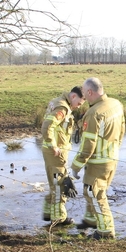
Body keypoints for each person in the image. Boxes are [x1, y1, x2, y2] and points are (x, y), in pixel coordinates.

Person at [71, 77, 125, 239]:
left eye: (84, 93)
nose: (83, 97)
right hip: (112, 158)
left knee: (94, 194)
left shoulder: (94, 113)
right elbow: (122, 130)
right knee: (96, 192)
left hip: (98, 162)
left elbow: (88, 145)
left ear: (89, 92)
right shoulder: (116, 104)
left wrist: (75, 167)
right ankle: (91, 220)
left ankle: (106, 231)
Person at [41, 86, 85, 226]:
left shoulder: (59, 101)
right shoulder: (63, 108)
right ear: (73, 97)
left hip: (52, 149)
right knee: (61, 184)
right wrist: (53, 145)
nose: (78, 107)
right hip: (56, 151)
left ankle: (49, 212)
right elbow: (47, 126)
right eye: (78, 103)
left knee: (54, 182)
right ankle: (59, 218)